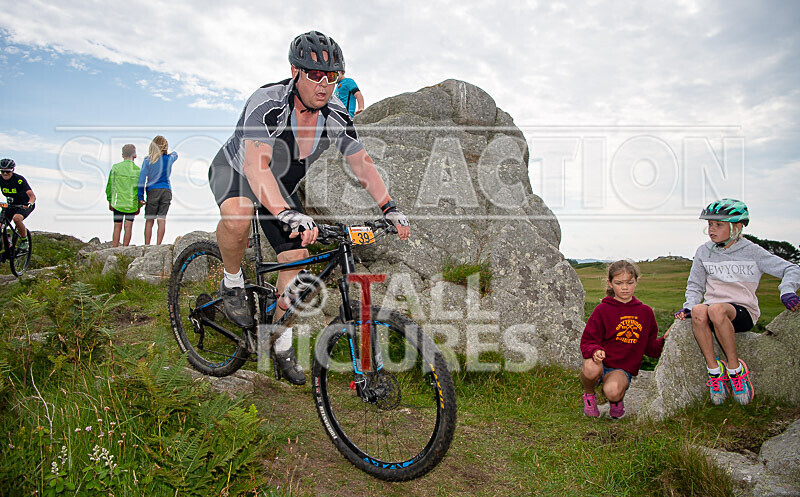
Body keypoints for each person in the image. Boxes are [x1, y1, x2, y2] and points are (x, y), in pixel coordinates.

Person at [208, 31, 410, 385]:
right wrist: (286, 213)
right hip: (238, 170)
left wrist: (389, 206)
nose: (324, 84)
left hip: (281, 185)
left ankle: (278, 341)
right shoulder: (267, 102)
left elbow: (361, 162)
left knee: (296, 260)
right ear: (294, 71)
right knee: (239, 216)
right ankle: (231, 282)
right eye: (315, 75)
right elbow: (257, 167)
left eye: (332, 77)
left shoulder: (336, 114)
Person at [675, 199, 800, 406]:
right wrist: (689, 306)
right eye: (709, 224)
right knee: (699, 310)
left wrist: (786, 290)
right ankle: (715, 372)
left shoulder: (752, 251)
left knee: (715, 309)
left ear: (737, 227)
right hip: (713, 311)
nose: (712, 230)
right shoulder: (703, 251)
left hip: (742, 311)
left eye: (719, 225)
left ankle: (736, 371)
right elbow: (695, 286)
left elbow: (792, 268)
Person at [580, 260, 668, 419]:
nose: (625, 287)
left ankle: (616, 400)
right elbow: (587, 340)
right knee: (590, 368)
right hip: (600, 363)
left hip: (621, 369)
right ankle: (589, 395)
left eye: (630, 282)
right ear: (610, 283)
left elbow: (651, 349)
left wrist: (665, 339)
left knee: (613, 391)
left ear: (636, 281)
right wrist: (595, 350)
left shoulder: (645, 312)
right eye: (619, 283)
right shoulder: (602, 310)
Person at [138, 135, 177, 245]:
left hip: (153, 191)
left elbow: (142, 179)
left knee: (149, 220)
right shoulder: (169, 159)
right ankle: (158, 244)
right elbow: (176, 154)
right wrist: (170, 153)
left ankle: (147, 245)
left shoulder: (148, 160)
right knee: (161, 219)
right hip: (166, 190)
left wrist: (140, 196)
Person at [106, 144, 141, 247]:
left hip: (118, 202)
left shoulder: (116, 168)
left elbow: (109, 186)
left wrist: (110, 200)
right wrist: (139, 205)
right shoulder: (138, 171)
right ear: (135, 155)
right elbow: (140, 189)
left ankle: (114, 248)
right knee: (128, 226)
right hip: (132, 203)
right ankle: (125, 249)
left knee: (117, 226)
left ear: (122, 155)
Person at [0, 158, 36, 252]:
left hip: (24, 205)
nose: (4, 174)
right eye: (2, 171)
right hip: (11, 205)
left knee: (17, 218)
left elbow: (32, 196)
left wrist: (29, 203)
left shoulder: (19, 180)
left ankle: (24, 241)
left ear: (12, 170)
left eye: (7, 172)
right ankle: (8, 243)